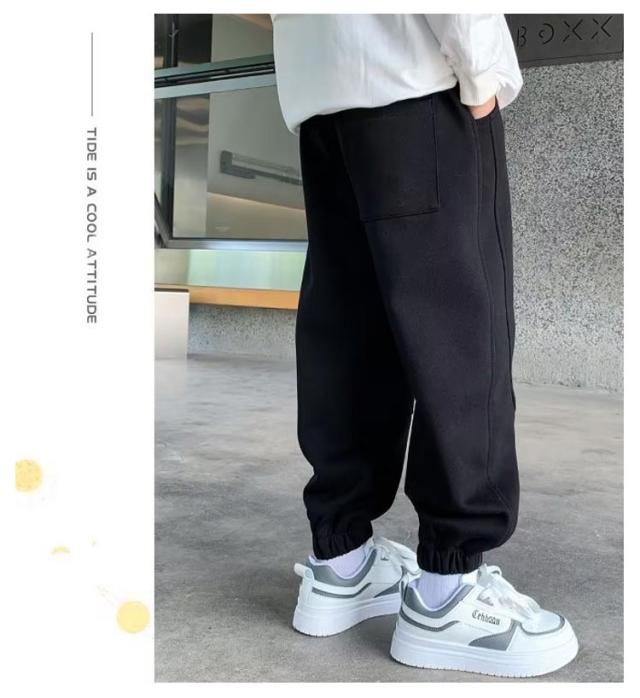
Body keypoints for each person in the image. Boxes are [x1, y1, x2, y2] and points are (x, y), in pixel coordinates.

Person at [271, 14, 578, 677]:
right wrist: (481, 70)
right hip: (416, 79)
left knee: (350, 329)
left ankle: (341, 562)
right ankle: (448, 593)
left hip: (319, 90)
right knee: (460, 335)